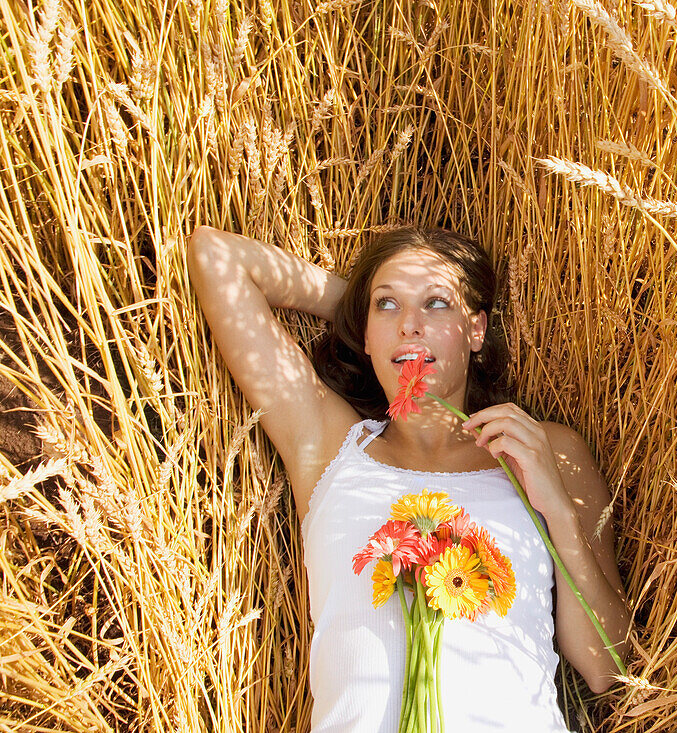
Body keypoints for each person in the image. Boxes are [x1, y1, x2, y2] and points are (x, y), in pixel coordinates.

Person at [186, 225, 630, 732]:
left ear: (477, 329)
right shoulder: (331, 449)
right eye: (387, 304)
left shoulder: (544, 451)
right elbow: (217, 256)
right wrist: (364, 320)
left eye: (437, 304)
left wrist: (558, 511)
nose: (410, 325)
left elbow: (606, 670)